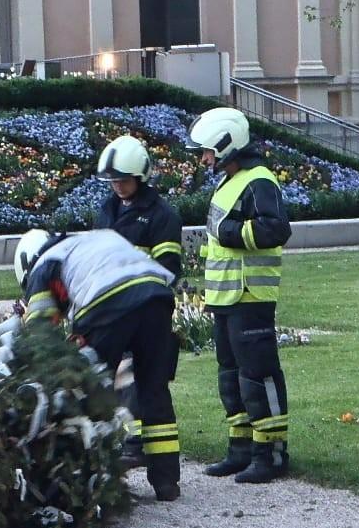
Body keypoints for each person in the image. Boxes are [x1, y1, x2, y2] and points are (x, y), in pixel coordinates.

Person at [15, 227, 181, 500]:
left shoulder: (44, 265)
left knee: (91, 390)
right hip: (157, 296)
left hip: (106, 301)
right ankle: (167, 483)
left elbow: (40, 332)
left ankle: (96, 479)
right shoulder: (90, 242)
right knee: (154, 388)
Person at [187, 107, 292, 484]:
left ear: (226, 145)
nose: (204, 159)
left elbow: (276, 229)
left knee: (257, 375)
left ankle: (272, 453)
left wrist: (231, 232)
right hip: (226, 298)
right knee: (230, 376)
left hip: (250, 296)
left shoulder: (259, 181)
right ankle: (241, 448)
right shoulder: (230, 181)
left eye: (207, 152)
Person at [92, 134, 185, 467]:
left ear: (141, 177)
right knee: (111, 383)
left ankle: (164, 476)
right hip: (111, 315)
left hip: (148, 317)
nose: (117, 186)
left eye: (124, 180)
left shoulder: (161, 217)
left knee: (151, 391)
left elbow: (167, 271)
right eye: (113, 180)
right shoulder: (108, 210)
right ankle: (121, 449)